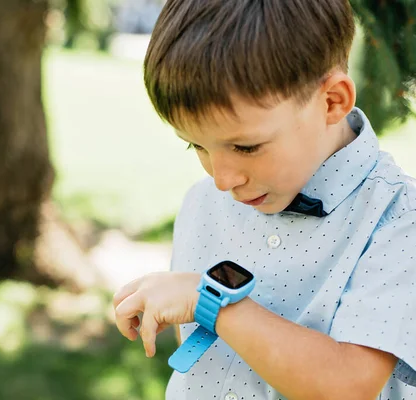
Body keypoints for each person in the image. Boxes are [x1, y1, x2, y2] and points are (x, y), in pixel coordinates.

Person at [112, 0, 416, 398]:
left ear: (332, 101)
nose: (222, 180)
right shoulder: (204, 203)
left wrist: (211, 303)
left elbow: (349, 385)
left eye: (246, 147)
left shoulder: (399, 220)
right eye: (196, 147)